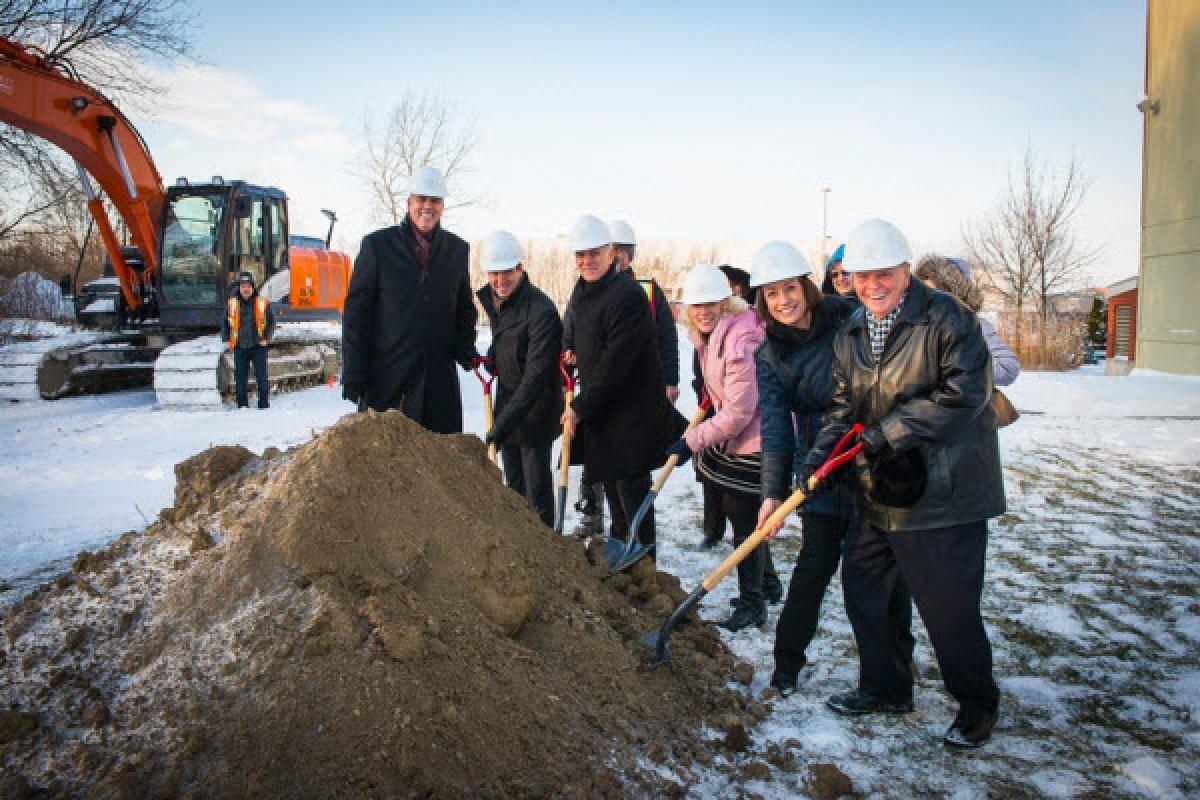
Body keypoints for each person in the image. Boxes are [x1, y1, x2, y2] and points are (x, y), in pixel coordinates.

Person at [803, 218, 1004, 749]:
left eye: (883, 274)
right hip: (882, 490)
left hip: (944, 492)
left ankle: (976, 705)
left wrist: (889, 432)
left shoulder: (947, 319)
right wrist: (817, 462)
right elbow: (843, 406)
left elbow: (965, 395)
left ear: (905, 270)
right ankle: (887, 687)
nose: (872, 285)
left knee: (948, 608)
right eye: (860, 275)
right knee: (867, 591)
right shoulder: (851, 331)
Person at [749, 241, 860, 694]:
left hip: (866, 457)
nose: (783, 301)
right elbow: (776, 427)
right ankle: (785, 669)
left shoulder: (848, 323)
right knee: (812, 568)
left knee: (870, 575)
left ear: (806, 287)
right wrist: (772, 495)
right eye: (772, 294)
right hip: (818, 470)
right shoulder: (770, 354)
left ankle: (891, 672)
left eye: (789, 289)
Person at [561, 214, 685, 560]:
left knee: (632, 492)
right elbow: (585, 336)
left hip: (632, 414)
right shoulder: (585, 291)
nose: (586, 261)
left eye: (594, 253)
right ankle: (622, 563)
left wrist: (580, 407)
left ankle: (645, 566)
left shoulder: (628, 294)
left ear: (610, 253)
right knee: (612, 490)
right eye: (580, 255)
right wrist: (573, 352)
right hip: (605, 412)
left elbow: (616, 362)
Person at [665, 263, 775, 631]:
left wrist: (689, 441)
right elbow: (724, 391)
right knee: (738, 511)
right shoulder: (710, 337)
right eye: (696, 305)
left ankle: (752, 604)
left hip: (758, 437)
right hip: (741, 434)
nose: (703, 311)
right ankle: (767, 583)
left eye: (711, 303)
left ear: (727, 302)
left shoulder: (741, 339)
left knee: (744, 520)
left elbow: (741, 411)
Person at [341, 165, 479, 433]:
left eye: (435, 200)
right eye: (421, 200)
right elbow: (357, 315)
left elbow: (464, 309)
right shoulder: (378, 247)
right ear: (409, 203)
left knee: (438, 463)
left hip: (439, 384)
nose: (427, 207)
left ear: (442, 205)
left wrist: (466, 348)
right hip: (389, 381)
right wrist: (354, 374)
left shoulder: (456, 250)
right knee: (388, 464)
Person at [476, 230, 563, 528]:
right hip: (509, 404)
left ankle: (546, 549)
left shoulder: (542, 312)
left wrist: (501, 425)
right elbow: (509, 338)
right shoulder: (500, 301)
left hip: (535, 410)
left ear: (520, 269)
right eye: (494, 273)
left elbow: (535, 377)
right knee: (513, 488)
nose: (500, 281)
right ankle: (520, 550)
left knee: (536, 488)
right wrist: (493, 355)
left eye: (507, 273)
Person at [914, 255, 1020, 387]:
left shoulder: (974, 325)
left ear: (954, 294)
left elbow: (1007, 369)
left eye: (935, 292)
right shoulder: (913, 327)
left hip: (960, 404)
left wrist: (957, 362)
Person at [221, 271, 275, 409]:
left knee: (261, 377)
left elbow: (271, 321)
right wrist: (226, 338)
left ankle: (263, 404)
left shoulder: (262, 303)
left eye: (248, 286)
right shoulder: (232, 304)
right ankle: (242, 405)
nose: (245, 289)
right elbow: (224, 322)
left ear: (253, 288)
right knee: (240, 378)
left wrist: (267, 338)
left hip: (258, 346)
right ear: (239, 288)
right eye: (243, 286)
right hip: (240, 346)